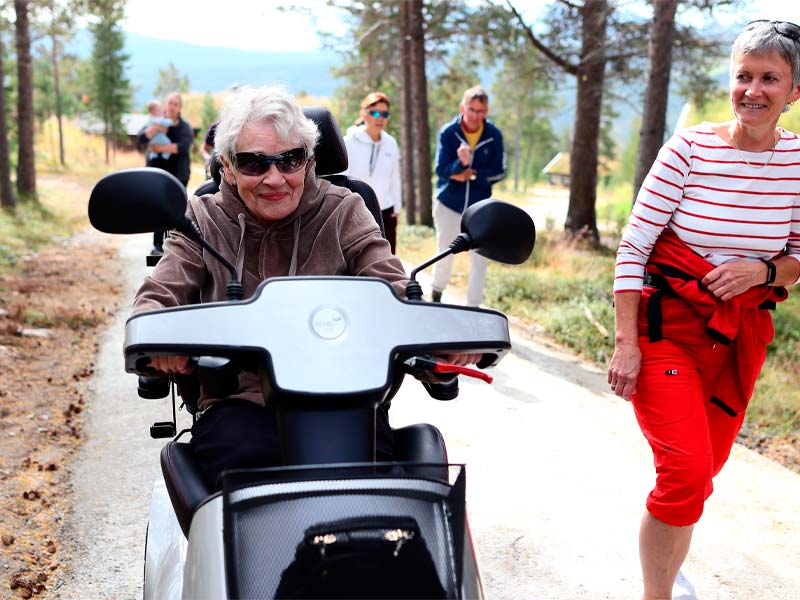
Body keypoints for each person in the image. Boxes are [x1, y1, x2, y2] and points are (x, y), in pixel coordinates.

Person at [131, 84, 477, 489]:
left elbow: (392, 286)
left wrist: (439, 338)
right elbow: (160, 293)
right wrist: (155, 341)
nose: (275, 178)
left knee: (380, 497)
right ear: (226, 166)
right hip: (239, 405)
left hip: (344, 403)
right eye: (253, 163)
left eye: (290, 159)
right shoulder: (202, 219)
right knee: (243, 480)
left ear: (309, 160)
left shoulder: (344, 210)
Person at [607, 20, 800, 600]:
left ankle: (668, 568)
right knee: (686, 472)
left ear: (794, 90)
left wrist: (761, 272)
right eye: (744, 75)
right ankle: (658, 592)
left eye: (770, 78)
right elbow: (634, 247)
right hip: (666, 331)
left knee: (699, 475)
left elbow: (797, 255)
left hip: (736, 340)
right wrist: (625, 343)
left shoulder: (797, 163)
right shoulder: (688, 150)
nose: (753, 90)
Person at [431, 85, 505, 306]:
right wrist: (459, 163)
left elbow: (500, 171)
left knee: (480, 258)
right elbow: (440, 170)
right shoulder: (448, 132)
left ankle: (474, 305)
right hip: (448, 204)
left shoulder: (494, 135)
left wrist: (473, 174)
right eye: (471, 109)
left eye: (480, 111)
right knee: (445, 251)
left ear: (486, 111)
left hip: (480, 209)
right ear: (462, 108)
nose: (475, 116)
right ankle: (436, 295)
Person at [342, 92, 402, 253]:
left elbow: (395, 176)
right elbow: (343, 179)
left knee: (388, 259)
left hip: (386, 212)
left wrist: (396, 208)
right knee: (359, 259)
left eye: (385, 114)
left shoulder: (391, 143)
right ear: (364, 113)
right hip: (357, 212)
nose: (380, 118)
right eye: (375, 113)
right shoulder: (349, 142)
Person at [137, 91, 194, 254]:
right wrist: (156, 128)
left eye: (176, 104)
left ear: (180, 107)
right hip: (157, 174)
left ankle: (177, 246)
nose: (173, 107)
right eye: (170, 103)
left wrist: (159, 148)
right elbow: (141, 139)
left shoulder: (184, 127)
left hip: (178, 174)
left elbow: (183, 147)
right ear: (165, 105)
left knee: (177, 209)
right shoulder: (155, 122)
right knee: (158, 208)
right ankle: (158, 246)